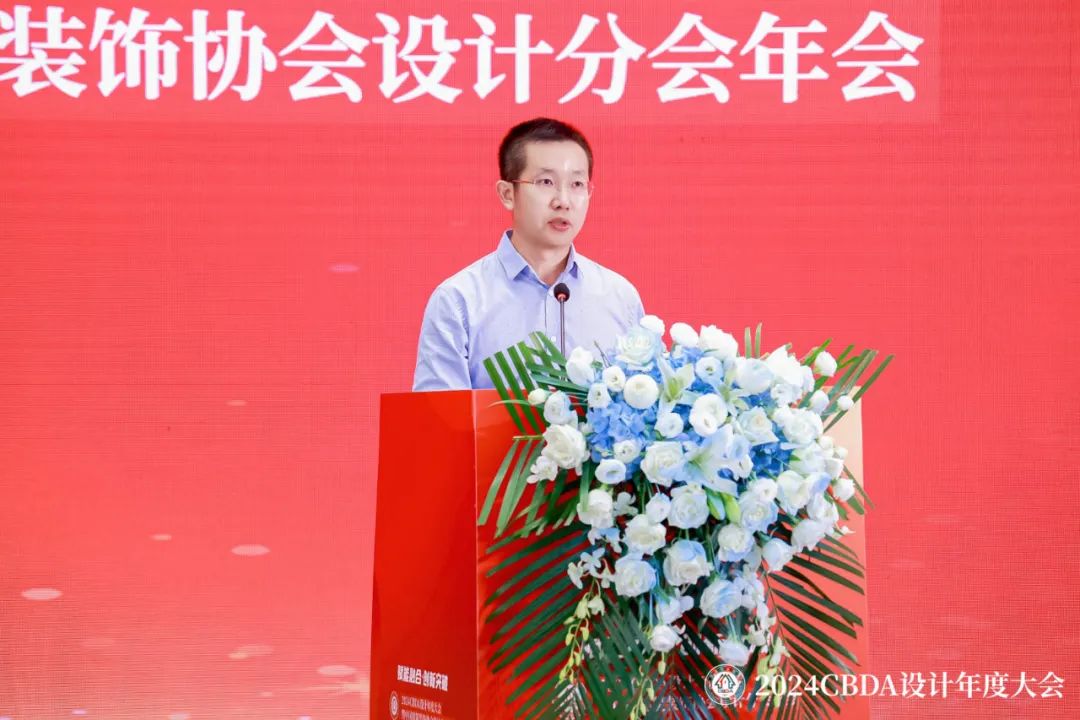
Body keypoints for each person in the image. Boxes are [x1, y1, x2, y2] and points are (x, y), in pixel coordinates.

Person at [412, 118, 645, 391]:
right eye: (546, 182)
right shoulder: (459, 301)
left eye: (577, 184)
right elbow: (436, 414)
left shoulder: (620, 298)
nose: (563, 201)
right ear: (507, 193)